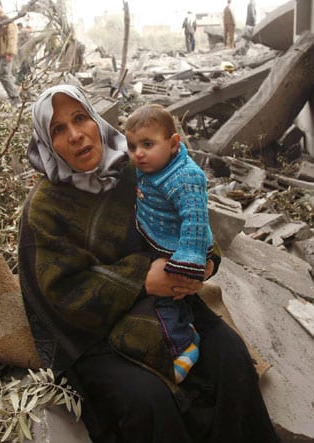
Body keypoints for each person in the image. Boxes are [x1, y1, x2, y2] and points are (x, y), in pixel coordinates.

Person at [19, 84, 279, 442]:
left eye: (80, 118)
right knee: (149, 399)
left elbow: (188, 219)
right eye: (58, 130)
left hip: (167, 307)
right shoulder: (45, 208)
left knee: (230, 355)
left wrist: (205, 262)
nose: (76, 134)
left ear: (96, 120)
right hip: (96, 335)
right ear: (48, 144)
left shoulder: (135, 170)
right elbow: (60, 294)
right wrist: (142, 277)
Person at [124, 104, 212, 384]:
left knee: (166, 297)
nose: (138, 153)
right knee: (175, 297)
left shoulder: (185, 177)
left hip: (182, 247)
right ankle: (186, 327)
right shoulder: (150, 166)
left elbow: (196, 221)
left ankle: (182, 346)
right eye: (132, 146)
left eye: (147, 144)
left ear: (173, 143)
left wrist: (187, 263)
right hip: (160, 236)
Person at [0, 0, 20, 106]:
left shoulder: (7, 20)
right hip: (0, 54)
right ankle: (14, 95)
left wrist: (10, 53)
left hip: (7, 53)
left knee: (3, 76)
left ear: (1, 7)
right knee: (7, 75)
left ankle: (15, 97)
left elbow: (12, 36)